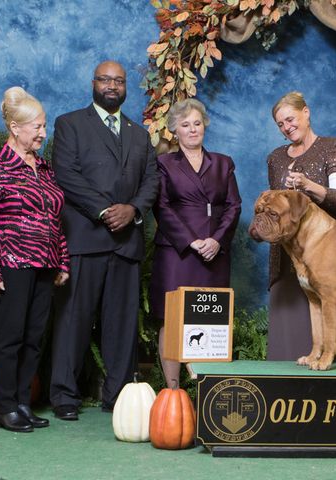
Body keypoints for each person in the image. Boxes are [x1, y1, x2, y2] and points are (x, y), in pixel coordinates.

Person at [49, 60, 159, 420]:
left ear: (126, 87)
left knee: (122, 323)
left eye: (119, 81)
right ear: (93, 82)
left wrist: (132, 210)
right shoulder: (70, 124)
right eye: (105, 79)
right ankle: (65, 395)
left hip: (126, 242)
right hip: (85, 237)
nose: (112, 85)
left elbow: (152, 182)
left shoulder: (139, 134)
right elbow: (65, 174)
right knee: (73, 320)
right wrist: (105, 210)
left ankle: (119, 396)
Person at [0, 87, 70, 432]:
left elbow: (56, 219)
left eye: (44, 127)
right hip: (11, 263)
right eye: (37, 128)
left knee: (33, 337)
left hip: (45, 264)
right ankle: (4, 407)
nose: (44, 134)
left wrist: (63, 261)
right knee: (9, 338)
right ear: (15, 128)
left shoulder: (44, 168)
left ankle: (23, 403)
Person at [150, 98, 241, 387]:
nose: (192, 130)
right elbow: (161, 207)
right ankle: (173, 390)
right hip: (177, 252)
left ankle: (209, 391)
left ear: (205, 126)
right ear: (174, 130)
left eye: (197, 123)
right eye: (185, 125)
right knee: (172, 318)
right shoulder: (163, 163)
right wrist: (191, 242)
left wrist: (216, 240)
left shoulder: (223, 163)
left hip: (215, 252)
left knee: (211, 319)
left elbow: (234, 206)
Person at [266, 91, 336, 362]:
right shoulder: (275, 157)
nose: (286, 127)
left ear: (306, 112)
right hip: (288, 254)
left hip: (328, 252)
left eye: (290, 119)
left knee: (329, 307)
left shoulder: (333, 147)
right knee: (288, 337)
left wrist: (307, 185)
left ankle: (329, 364)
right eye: (280, 124)